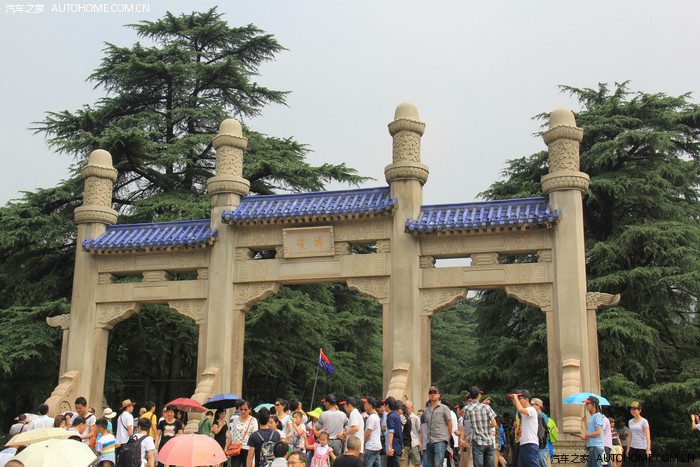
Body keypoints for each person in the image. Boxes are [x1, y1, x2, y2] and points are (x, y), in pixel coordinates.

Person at [464, 387, 497, 467]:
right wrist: (487, 426)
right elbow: (494, 424)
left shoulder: (466, 409)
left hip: (477, 440)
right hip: (489, 440)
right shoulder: (486, 407)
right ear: (479, 395)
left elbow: (467, 426)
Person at [571, 396, 604, 467]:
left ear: (593, 404)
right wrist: (585, 421)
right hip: (592, 446)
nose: (587, 406)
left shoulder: (597, 416)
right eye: (586, 404)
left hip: (596, 446)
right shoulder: (593, 416)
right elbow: (591, 430)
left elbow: (598, 432)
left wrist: (586, 435)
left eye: (588, 404)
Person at [424, 386, 453, 467]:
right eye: (431, 393)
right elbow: (425, 426)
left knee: (438, 464)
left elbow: (449, 423)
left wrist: (448, 437)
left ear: (439, 395)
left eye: (435, 393)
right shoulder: (426, 410)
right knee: (430, 465)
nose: (433, 395)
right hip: (429, 441)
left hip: (440, 440)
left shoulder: (444, 408)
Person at [508, 390, 538, 467]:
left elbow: (520, 409)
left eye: (520, 398)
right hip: (523, 444)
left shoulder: (531, 410)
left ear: (527, 399)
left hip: (530, 444)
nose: (518, 401)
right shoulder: (524, 414)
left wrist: (515, 397)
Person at [229, 401, 259, 467]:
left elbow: (254, 436)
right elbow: (231, 434)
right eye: (241, 409)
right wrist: (227, 447)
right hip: (236, 447)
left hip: (247, 448)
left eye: (245, 410)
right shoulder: (235, 420)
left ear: (249, 409)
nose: (243, 411)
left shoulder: (253, 420)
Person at [626, 402, 650, 467]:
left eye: (634, 409)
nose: (632, 411)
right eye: (631, 410)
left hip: (642, 447)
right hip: (633, 447)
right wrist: (628, 448)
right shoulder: (630, 421)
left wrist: (648, 448)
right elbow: (630, 435)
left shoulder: (644, 421)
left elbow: (647, 435)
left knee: (643, 465)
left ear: (639, 410)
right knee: (631, 465)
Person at [529, 398, 550, 467]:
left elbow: (541, 432)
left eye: (533, 405)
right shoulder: (542, 416)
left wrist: (540, 444)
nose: (531, 406)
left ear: (538, 406)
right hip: (542, 446)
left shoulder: (539, 416)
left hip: (541, 447)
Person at [363, 397, 382, 467]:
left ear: (370, 405)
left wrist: (363, 442)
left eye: (366, 403)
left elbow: (368, 432)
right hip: (376, 446)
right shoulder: (376, 415)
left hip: (371, 447)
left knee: (367, 464)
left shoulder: (371, 417)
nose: (364, 405)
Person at [385, 397, 403, 467]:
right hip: (397, 445)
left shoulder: (391, 417)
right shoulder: (396, 416)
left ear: (387, 406)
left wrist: (389, 447)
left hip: (393, 446)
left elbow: (391, 432)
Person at [402, 401, 421, 467]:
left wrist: (420, 442)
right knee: (404, 462)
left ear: (411, 407)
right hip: (405, 443)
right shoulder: (402, 418)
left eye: (407, 407)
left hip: (414, 443)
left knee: (416, 462)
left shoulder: (415, 418)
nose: (405, 409)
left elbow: (419, 430)